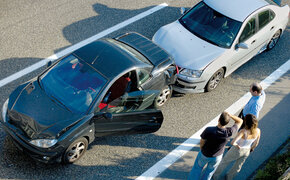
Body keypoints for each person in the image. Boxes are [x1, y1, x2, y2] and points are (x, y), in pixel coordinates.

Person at [188, 112, 243, 180]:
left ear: (218, 120)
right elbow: (240, 121)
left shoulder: (209, 130)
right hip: (217, 157)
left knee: (197, 169)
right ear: (227, 122)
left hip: (205, 154)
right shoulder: (229, 132)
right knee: (209, 172)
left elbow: (202, 141)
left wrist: (202, 149)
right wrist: (230, 115)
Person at [213, 114, 261, 180]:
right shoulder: (258, 131)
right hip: (247, 150)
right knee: (238, 166)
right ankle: (229, 177)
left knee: (225, 162)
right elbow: (256, 143)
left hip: (237, 149)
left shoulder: (243, 131)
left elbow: (233, 142)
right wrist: (251, 148)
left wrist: (237, 145)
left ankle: (215, 176)